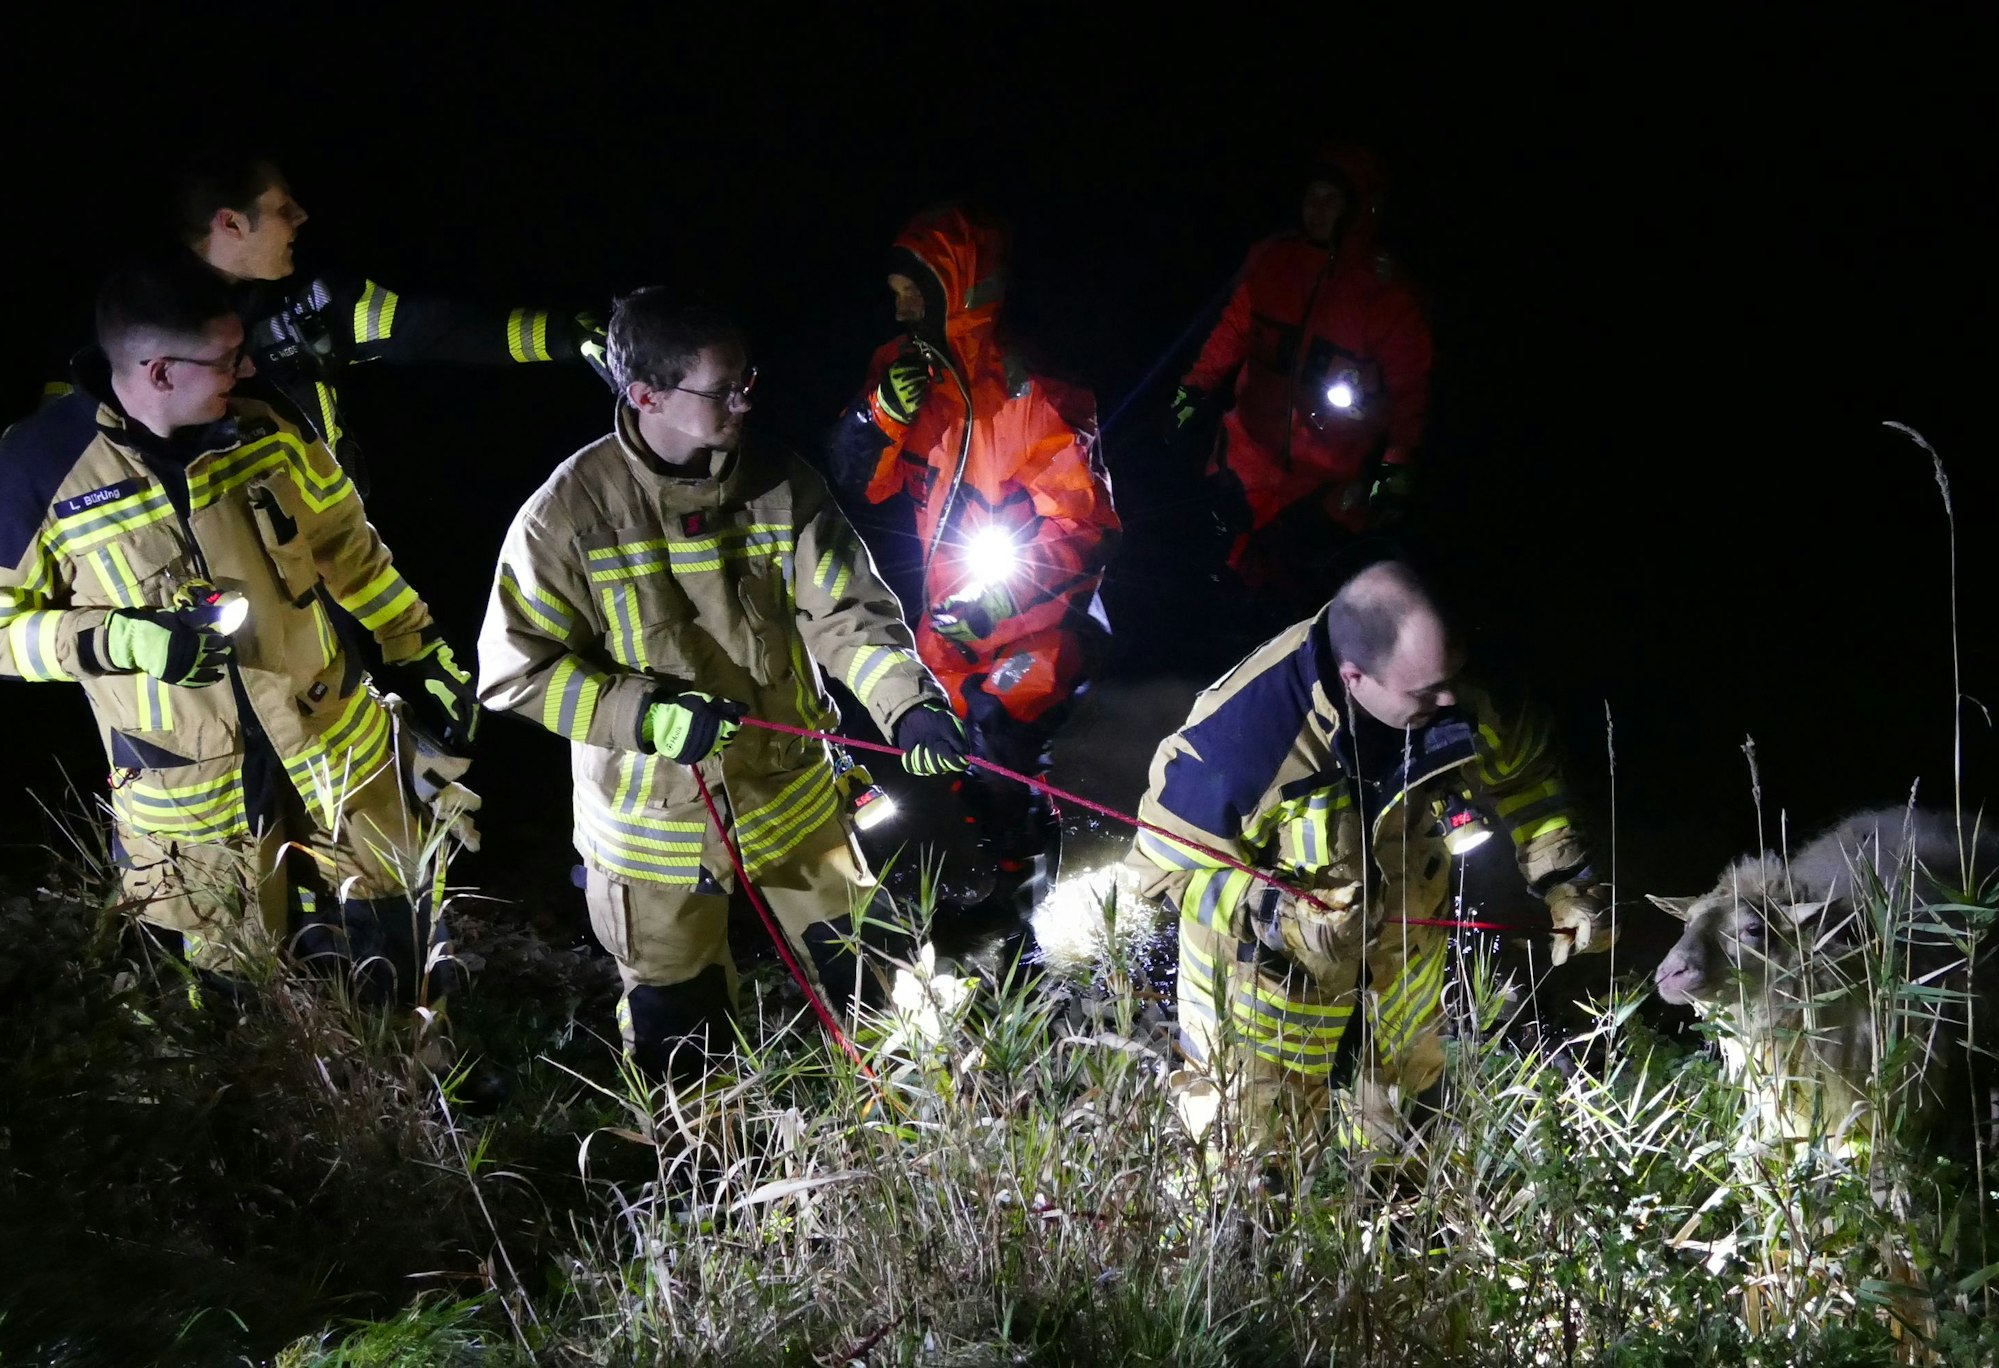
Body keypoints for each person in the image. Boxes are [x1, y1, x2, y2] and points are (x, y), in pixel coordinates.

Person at [478, 293, 968, 1078]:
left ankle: (917, 1144)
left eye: (747, 381)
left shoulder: (782, 482)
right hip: (652, 831)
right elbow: (516, 671)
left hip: (793, 800)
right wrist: (646, 717)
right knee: (681, 1040)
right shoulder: (564, 518)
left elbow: (847, 613)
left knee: (883, 985)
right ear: (645, 396)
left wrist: (907, 705)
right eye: (720, 390)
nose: (744, 402)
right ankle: (709, 1178)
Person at [0, 256, 478, 1001]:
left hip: (335, 747)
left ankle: (420, 1096)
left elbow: (347, 545)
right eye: (226, 357)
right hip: (193, 798)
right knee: (243, 994)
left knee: (400, 939)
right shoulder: (35, 469)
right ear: (158, 371)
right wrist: (117, 640)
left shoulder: (266, 419)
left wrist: (416, 644)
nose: (248, 364)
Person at [1126, 560, 1610, 1161]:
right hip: (1267, 996)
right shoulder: (1245, 739)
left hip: (1403, 977)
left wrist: (1567, 880)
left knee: (1395, 1144)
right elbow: (1161, 869)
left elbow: (1528, 778)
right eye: (1425, 693)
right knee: (1255, 1160)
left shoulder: (1460, 688)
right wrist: (1282, 917)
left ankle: (1380, 1215)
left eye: (1451, 677)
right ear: (1354, 677)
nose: (1449, 699)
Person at [827, 205, 1120, 944]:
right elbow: (859, 484)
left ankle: (1021, 923)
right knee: (937, 744)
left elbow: (1085, 530)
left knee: (1000, 731)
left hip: (1043, 618)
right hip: (953, 619)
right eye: (894, 294)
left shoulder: (1038, 393)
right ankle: (984, 888)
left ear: (953, 290)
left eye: (912, 294)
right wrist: (876, 417)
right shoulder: (900, 376)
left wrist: (998, 600)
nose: (898, 309)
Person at [42, 151, 606, 496]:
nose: (302, 218)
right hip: (207, 564)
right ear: (231, 223)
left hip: (329, 548)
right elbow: (63, 456)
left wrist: (571, 334)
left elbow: (436, 329)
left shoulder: (309, 298)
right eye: (283, 208)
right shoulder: (120, 326)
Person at [1168, 146, 1433, 636]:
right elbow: (1234, 329)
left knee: (1302, 586)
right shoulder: (1274, 262)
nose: (1318, 208)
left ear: (1360, 208)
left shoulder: (1385, 293)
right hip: (1248, 450)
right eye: (1313, 195)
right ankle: (1206, 652)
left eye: (1332, 199)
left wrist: (1398, 463)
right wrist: (1195, 388)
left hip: (1328, 475)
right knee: (1220, 561)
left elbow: (1410, 385)